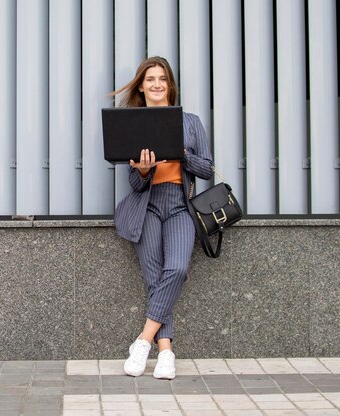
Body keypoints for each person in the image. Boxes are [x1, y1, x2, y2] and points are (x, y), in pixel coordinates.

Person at [111, 56, 213, 379]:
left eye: (163, 79)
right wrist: (141, 169)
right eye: (150, 79)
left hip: (180, 205)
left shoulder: (192, 122)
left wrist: (181, 154)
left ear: (170, 85)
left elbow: (208, 169)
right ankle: (166, 352)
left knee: (178, 268)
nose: (157, 84)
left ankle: (143, 340)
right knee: (155, 278)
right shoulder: (135, 125)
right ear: (141, 87)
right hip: (148, 205)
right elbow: (135, 183)